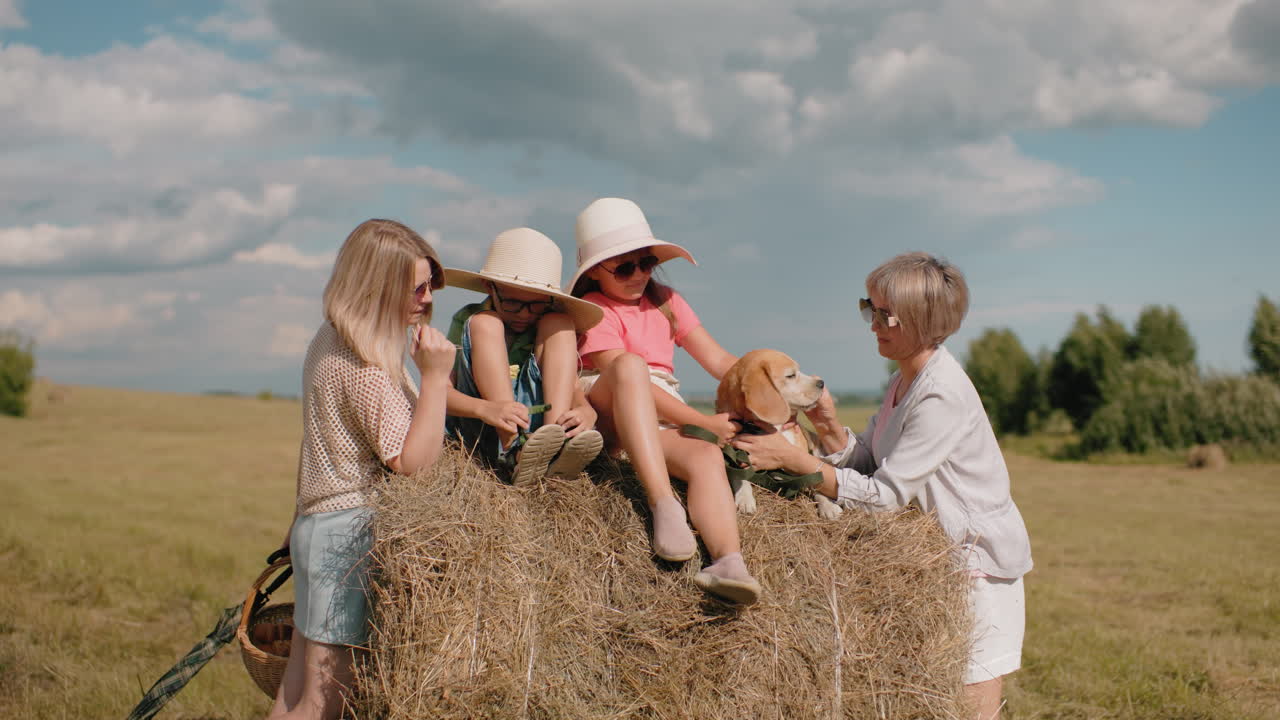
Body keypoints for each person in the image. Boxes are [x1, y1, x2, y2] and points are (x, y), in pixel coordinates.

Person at [731, 252, 1032, 718]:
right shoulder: (902, 381)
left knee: (973, 703)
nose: (872, 324)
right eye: (868, 308)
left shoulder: (940, 394)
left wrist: (797, 461)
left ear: (922, 321)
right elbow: (872, 464)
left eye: (885, 314)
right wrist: (828, 428)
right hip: (939, 562)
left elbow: (884, 498)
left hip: (977, 563)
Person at [268, 219, 456, 720]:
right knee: (327, 702)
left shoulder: (329, 338)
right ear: (378, 286)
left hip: (319, 529)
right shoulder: (366, 366)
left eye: (430, 285)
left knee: (293, 692)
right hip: (346, 541)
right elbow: (411, 464)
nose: (427, 300)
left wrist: (298, 518)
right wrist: (436, 378)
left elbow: (316, 441)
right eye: (416, 288)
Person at [568, 197, 761, 605]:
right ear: (594, 271)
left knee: (706, 457)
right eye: (624, 268)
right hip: (611, 412)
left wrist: (770, 382)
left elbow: (719, 361)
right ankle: (662, 502)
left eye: (647, 263)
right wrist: (702, 422)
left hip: (663, 416)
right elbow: (625, 379)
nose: (639, 274)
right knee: (631, 366)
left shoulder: (665, 301)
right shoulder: (593, 310)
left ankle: (728, 561)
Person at [444, 227, 606, 485]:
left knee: (561, 323)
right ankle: (514, 450)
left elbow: (572, 387)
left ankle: (554, 442)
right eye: (512, 303)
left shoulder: (547, 323)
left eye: (536, 304)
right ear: (489, 287)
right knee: (486, 323)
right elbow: (439, 392)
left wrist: (586, 411)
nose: (524, 314)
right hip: (480, 425)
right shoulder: (468, 320)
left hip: (536, 428)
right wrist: (486, 409)